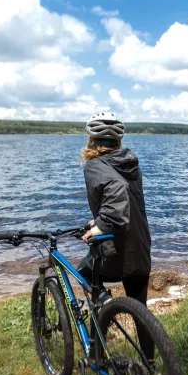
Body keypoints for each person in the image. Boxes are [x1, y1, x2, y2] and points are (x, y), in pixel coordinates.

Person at [78, 112, 154, 359]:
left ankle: (97, 347)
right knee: (141, 311)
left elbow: (116, 192)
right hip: (140, 247)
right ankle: (150, 367)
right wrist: (98, 219)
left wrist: (101, 227)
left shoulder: (94, 165)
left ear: (92, 140)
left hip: (114, 253)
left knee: (81, 276)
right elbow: (126, 198)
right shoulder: (130, 163)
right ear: (118, 142)